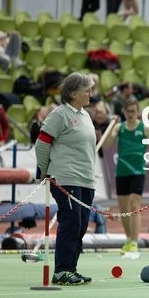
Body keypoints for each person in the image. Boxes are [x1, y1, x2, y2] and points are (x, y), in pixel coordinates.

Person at [34, 72, 98, 286]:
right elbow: (42, 143)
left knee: (80, 227)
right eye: (86, 90)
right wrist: (45, 170)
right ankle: (62, 271)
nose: (91, 93)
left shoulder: (85, 115)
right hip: (66, 177)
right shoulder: (59, 115)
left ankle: (71, 268)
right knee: (71, 223)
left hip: (86, 179)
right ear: (72, 93)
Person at [102, 98, 149, 254]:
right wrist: (111, 125)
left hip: (138, 172)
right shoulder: (119, 128)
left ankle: (134, 241)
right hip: (122, 172)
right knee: (124, 209)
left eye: (134, 111)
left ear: (138, 112)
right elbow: (106, 145)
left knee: (134, 206)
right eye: (128, 111)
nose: (131, 114)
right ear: (124, 112)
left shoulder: (145, 129)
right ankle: (128, 239)